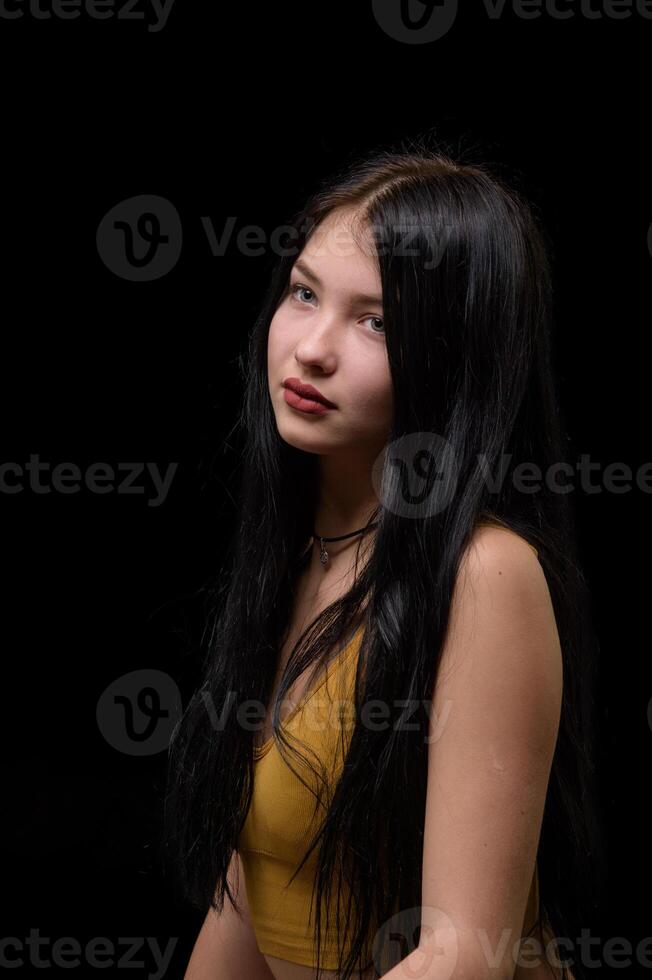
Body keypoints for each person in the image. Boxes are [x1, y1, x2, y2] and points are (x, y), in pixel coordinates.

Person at [164, 140, 605, 980]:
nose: (311, 347)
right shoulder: (293, 565)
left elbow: (462, 953)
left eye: (375, 321)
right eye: (303, 294)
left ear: (452, 359)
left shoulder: (485, 573)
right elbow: (246, 907)